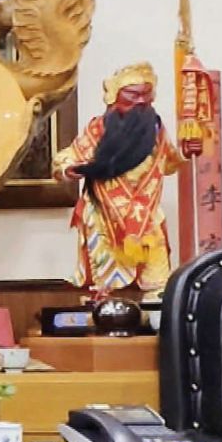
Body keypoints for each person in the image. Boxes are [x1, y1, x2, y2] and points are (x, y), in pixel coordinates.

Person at [54, 61, 184, 298]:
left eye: (146, 94)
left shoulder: (156, 130)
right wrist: (68, 168)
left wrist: (190, 148)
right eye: (133, 95)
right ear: (114, 96)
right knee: (105, 276)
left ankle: (155, 306)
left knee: (156, 277)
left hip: (145, 212)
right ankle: (103, 303)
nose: (141, 101)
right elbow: (69, 156)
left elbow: (171, 163)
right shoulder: (99, 128)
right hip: (105, 212)